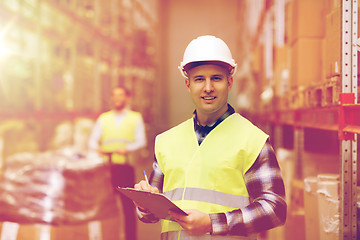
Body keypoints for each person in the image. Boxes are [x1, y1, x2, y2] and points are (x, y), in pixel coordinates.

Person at [134, 35, 287, 240]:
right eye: (199, 79)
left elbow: (275, 210)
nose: (208, 88)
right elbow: (151, 215)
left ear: (229, 82)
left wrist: (213, 223)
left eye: (216, 78)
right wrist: (145, 204)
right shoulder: (166, 141)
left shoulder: (252, 141)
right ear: (188, 85)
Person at [88, 86, 146, 240]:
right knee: (105, 205)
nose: (117, 98)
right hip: (107, 168)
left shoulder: (135, 117)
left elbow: (141, 140)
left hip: (125, 167)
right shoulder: (104, 118)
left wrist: (127, 149)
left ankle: (130, 237)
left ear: (127, 98)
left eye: (120, 95)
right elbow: (93, 140)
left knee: (128, 206)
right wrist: (98, 149)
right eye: (114, 95)